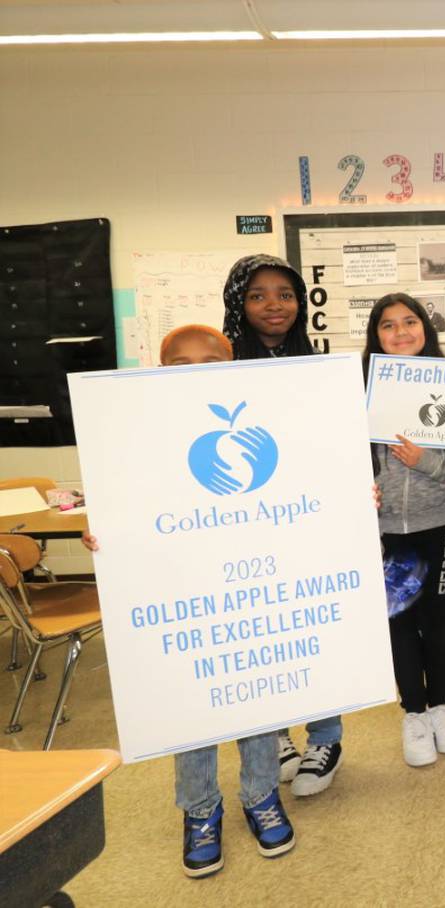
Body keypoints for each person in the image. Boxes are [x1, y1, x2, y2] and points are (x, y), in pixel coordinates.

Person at [82, 325, 295, 878]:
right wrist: (102, 536)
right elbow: (122, 508)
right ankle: (200, 809)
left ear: (233, 364)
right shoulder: (139, 436)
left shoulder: (262, 421)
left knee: (257, 696)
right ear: (159, 368)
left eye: (210, 360)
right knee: (192, 704)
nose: (195, 369)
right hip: (182, 589)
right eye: (180, 363)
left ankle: (261, 794)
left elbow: (302, 489)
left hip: (249, 585)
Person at [221, 253, 342, 796]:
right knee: (263, 634)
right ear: (238, 304)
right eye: (259, 295)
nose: (275, 305)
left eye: (286, 294)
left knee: (314, 631)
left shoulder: (316, 370)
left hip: (307, 526)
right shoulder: (215, 370)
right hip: (244, 527)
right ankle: (272, 734)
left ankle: (326, 736)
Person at [363, 293, 445, 767]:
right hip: (387, 530)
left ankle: (442, 705)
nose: (401, 331)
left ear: (425, 329)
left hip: (441, 522)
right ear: (376, 336)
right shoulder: (359, 391)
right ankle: (413, 712)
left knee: (439, 619)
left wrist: (423, 460)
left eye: (410, 321)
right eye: (388, 325)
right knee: (400, 622)